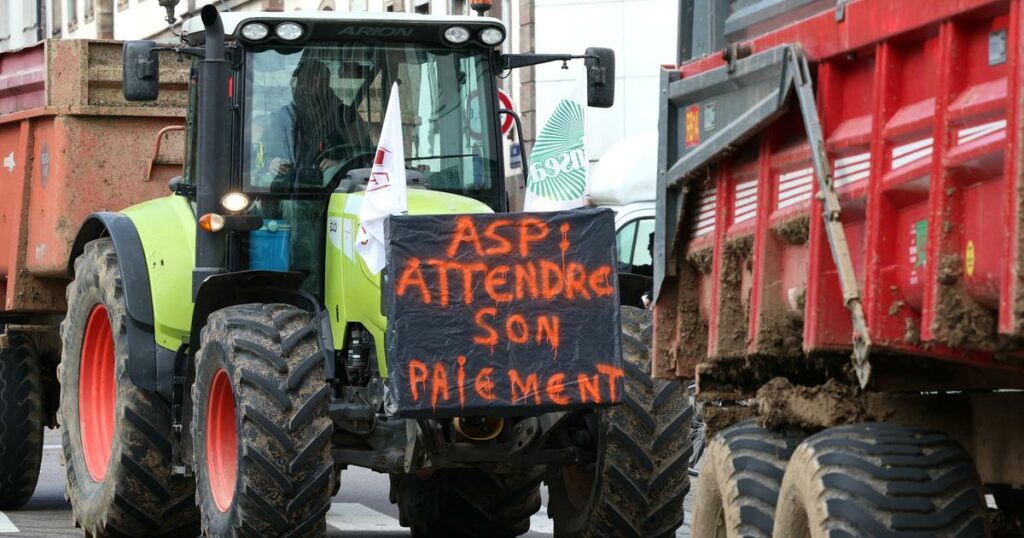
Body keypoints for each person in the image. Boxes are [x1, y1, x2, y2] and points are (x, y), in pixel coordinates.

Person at [258, 59, 374, 187]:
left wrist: (339, 165)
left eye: (316, 83)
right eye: (305, 82)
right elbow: (258, 158)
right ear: (298, 84)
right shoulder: (280, 118)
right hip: (287, 192)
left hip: (332, 191)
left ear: (326, 85)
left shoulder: (347, 117)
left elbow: (366, 158)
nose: (308, 89)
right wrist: (271, 164)